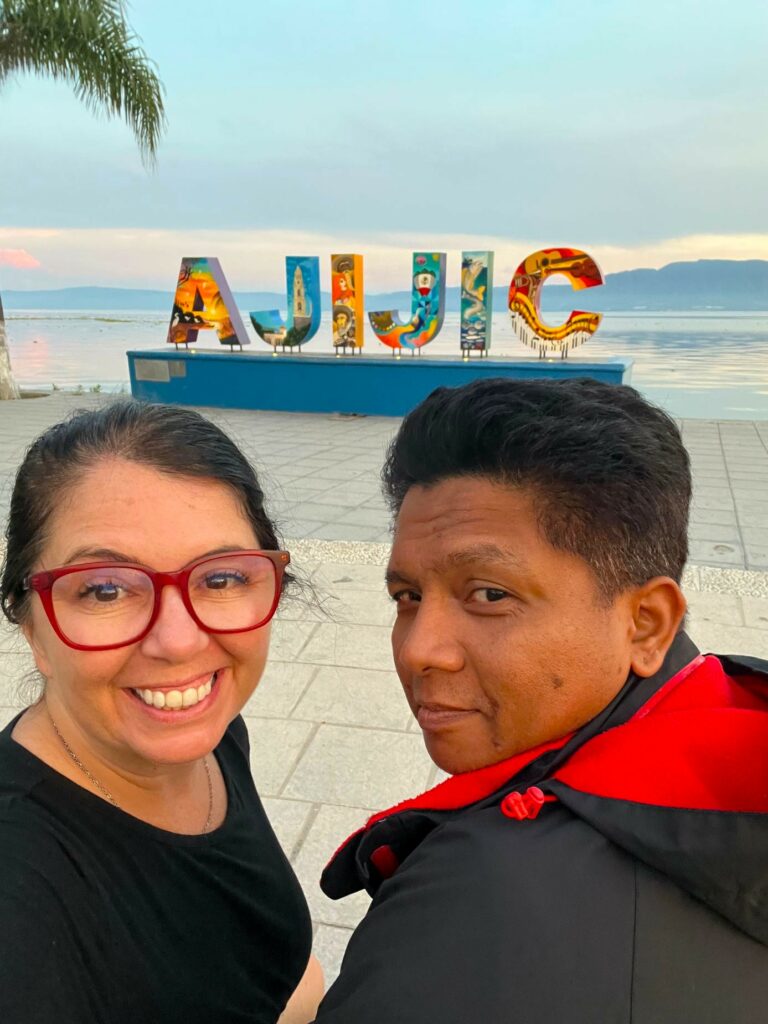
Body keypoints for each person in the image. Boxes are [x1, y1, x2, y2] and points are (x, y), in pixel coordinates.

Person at [315, 377, 768, 1023]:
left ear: (646, 623)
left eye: (490, 595)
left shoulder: (469, 909)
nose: (420, 649)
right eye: (407, 596)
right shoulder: (739, 715)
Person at [0, 401, 323, 1024]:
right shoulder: (21, 896)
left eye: (223, 577)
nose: (178, 642)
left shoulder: (213, 734)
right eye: (106, 589)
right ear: (30, 624)